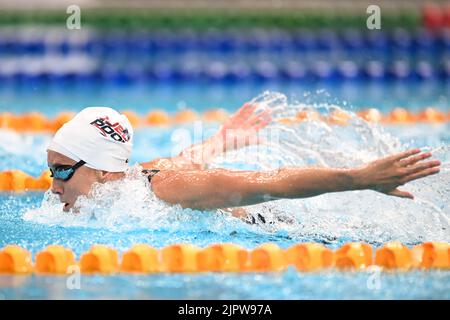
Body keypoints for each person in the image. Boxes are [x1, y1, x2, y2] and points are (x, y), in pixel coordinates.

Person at [47, 105, 441, 219]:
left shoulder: (163, 189)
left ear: (100, 168)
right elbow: (185, 157)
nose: (53, 185)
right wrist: (223, 138)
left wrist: (357, 178)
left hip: (279, 231)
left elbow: (267, 182)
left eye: (62, 171)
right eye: (52, 171)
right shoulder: (133, 179)